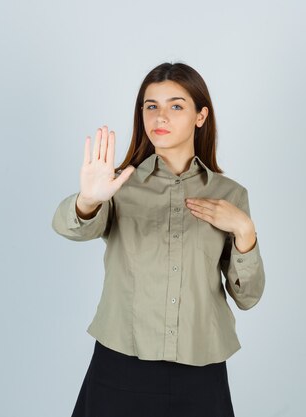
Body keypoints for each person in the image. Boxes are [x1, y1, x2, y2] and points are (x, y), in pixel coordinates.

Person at [52, 62, 266, 417]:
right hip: (121, 363)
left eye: (176, 105)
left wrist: (245, 231)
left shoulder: (231, 195)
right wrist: (88, 199)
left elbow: (248, 297)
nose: (160, 117)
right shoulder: (118, 185)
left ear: (201, 116)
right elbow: (71, 226)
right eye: (151, 106)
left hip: (200, 371)